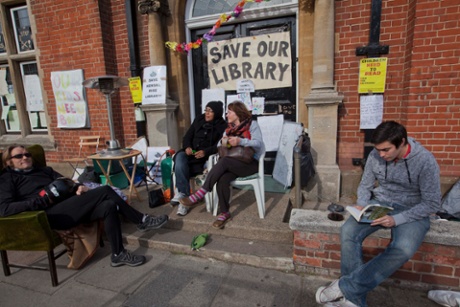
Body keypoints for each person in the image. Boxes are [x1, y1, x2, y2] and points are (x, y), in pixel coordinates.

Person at [316, 121, 441, 307]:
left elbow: (432, 203)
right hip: (381, 203)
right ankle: (354, 301)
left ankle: (345, 287)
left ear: (402, 142)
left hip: (412, 209)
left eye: (386, 150)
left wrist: (397, 219)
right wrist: (362, 204)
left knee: (403, 249)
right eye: (378, 150)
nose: (381, 154)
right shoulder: (375, 155)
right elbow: (366, 184)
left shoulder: (425, 161)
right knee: (348, 232)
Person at [0, 144, 170, 268]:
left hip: (69, 205)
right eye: (19, 156)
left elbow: (64, 182)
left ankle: (118, 254)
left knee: (109, 205)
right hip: (49, 215)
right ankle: (141, 220)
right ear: (9, 162)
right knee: (105, 190)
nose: (25, 158)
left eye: (27, 155)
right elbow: (4, 208)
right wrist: (40, 201)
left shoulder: (44, 170)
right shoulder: (8, 179)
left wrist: (76, 187)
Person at [180, 101, 265, 229]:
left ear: (237, 113)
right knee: (222, 178)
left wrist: (240, 141)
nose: (227, 114)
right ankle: (225, 213)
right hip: (233, 163)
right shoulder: (229, 128)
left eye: (229, 112)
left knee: (224, 162)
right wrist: (225, 141)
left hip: (250, 163)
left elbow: (259, 144)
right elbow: (219, 145)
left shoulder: (252, 125)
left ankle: (200, 193)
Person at [170, 100, 227, 216]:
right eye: (206, 110)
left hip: (206, 158)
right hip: (190, 155)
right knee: (179, 157)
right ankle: (183, 195)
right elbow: (187, 136)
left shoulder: (222, 126)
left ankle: (184, 202)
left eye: (210, 111)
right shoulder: (199, 120)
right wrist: (187, 147)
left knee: (185, 166)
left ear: (216, 113)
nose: (207, 113)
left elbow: (220, 145)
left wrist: (205, 152)